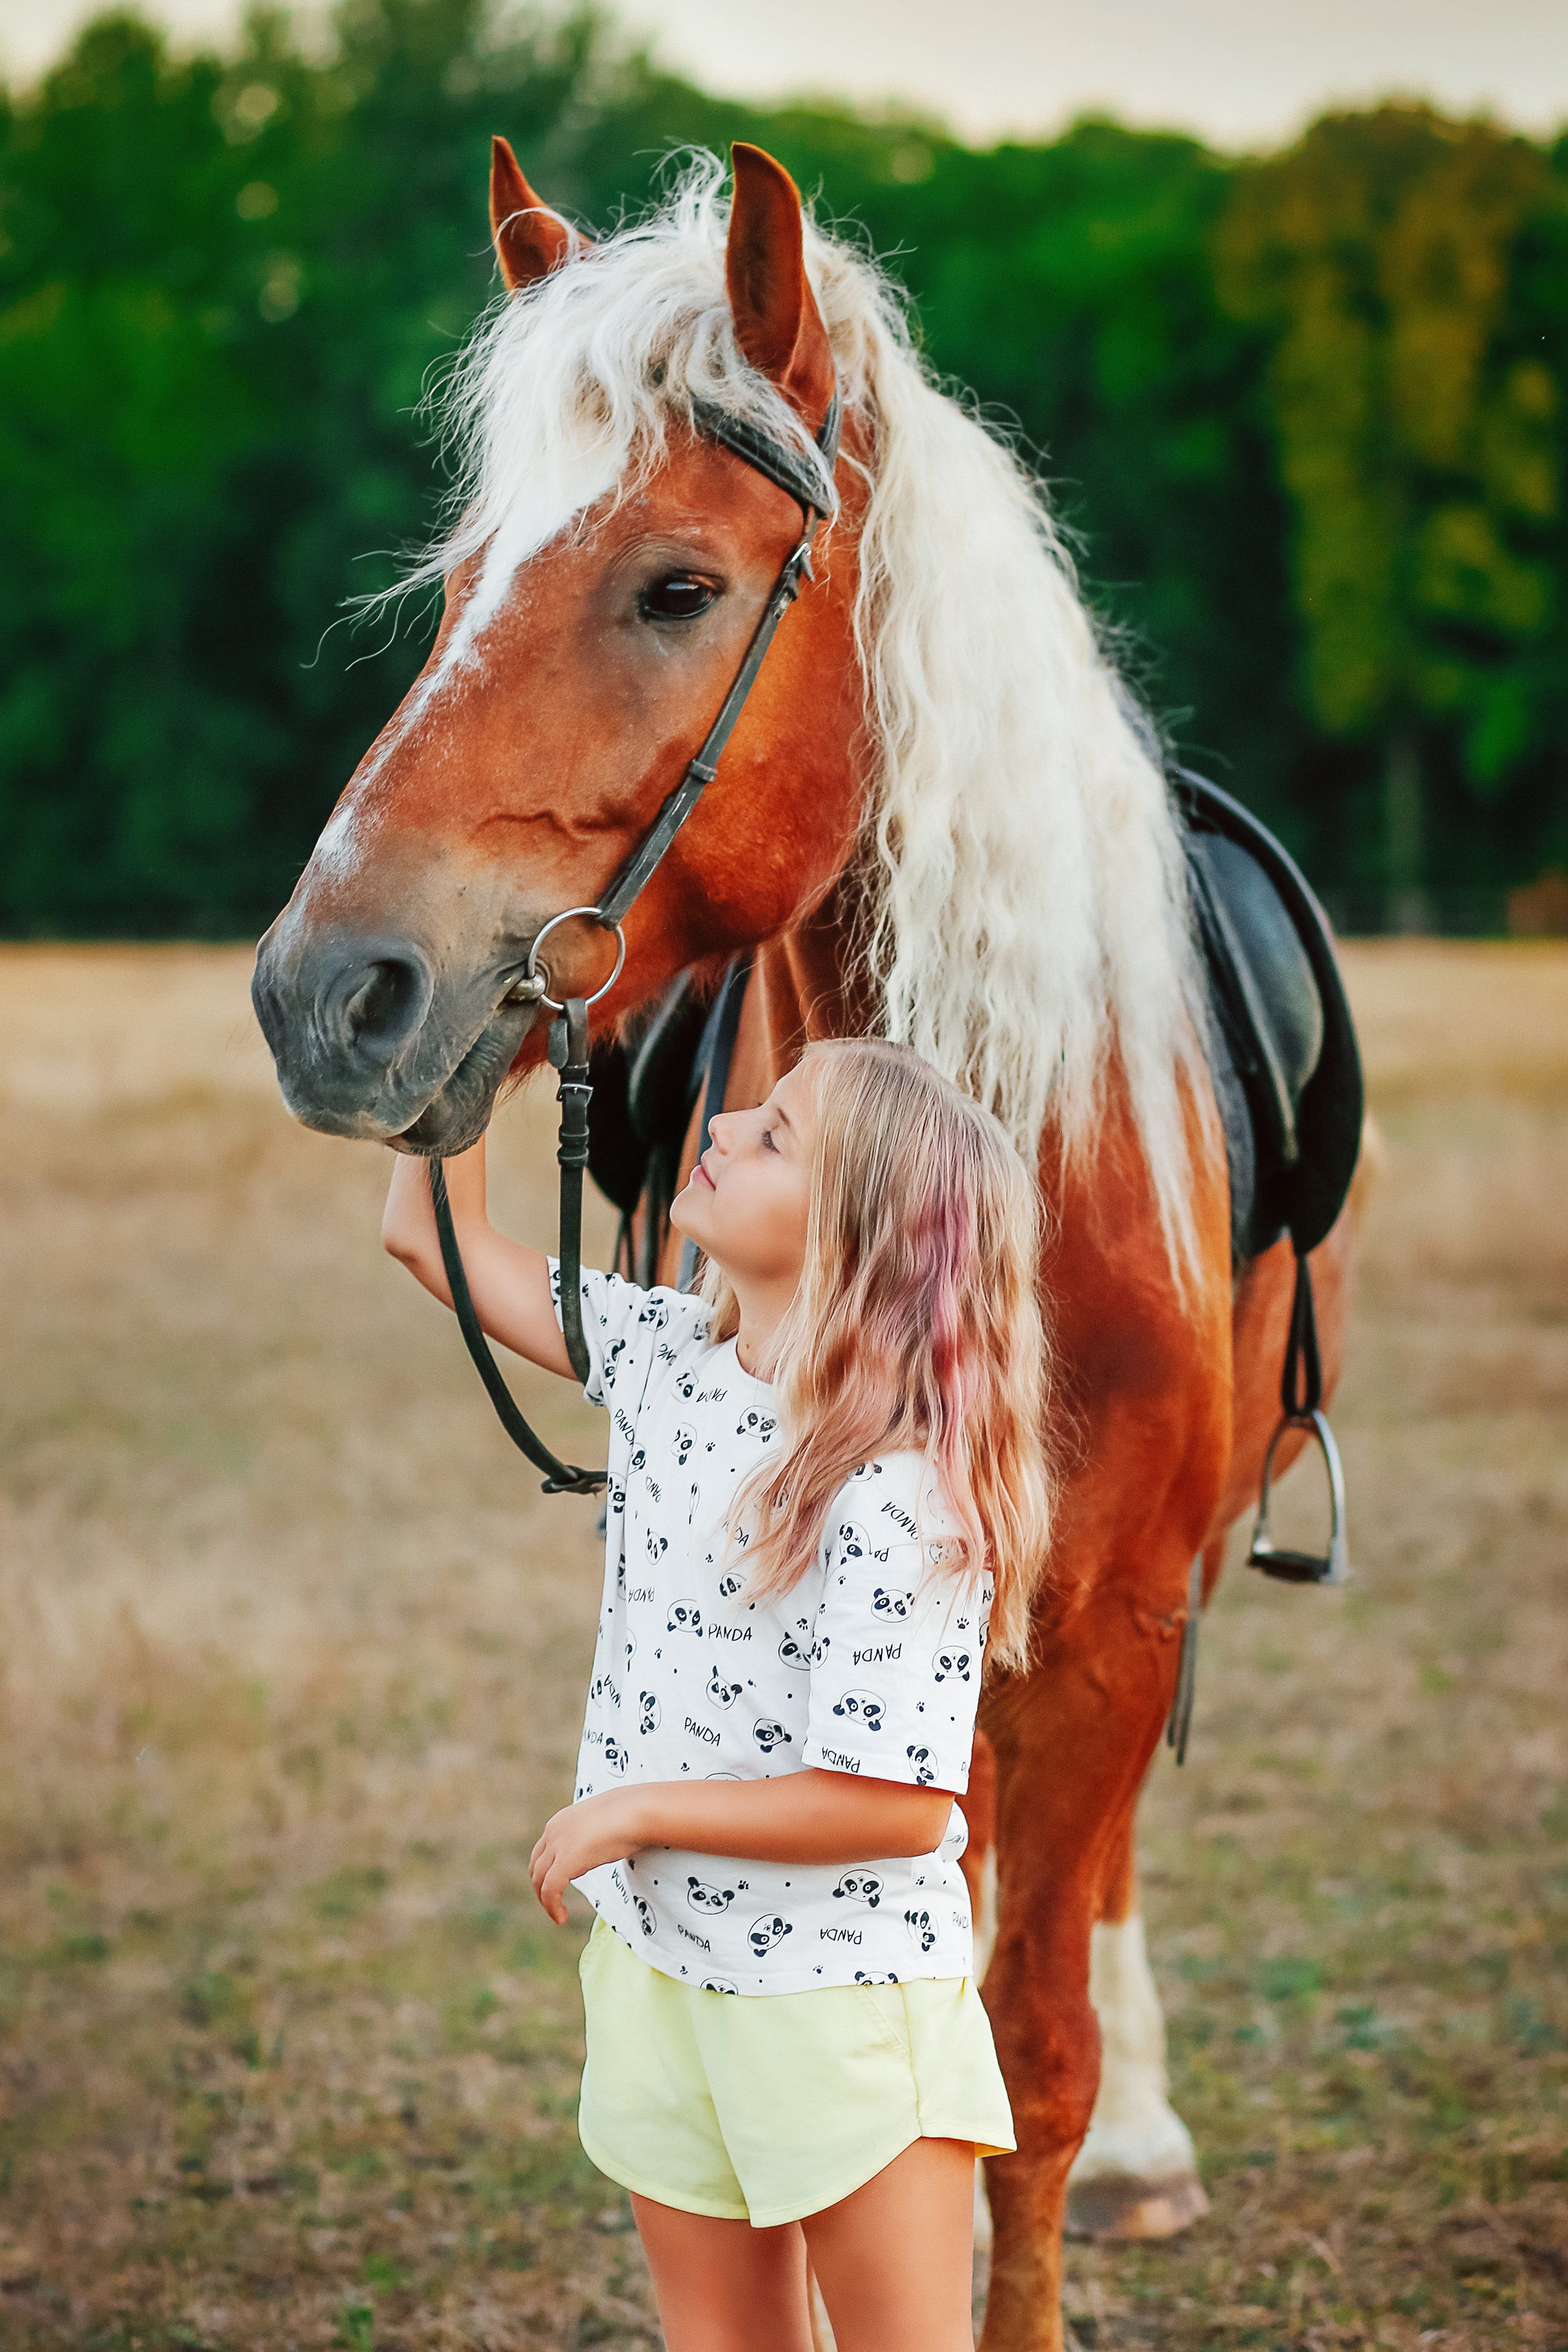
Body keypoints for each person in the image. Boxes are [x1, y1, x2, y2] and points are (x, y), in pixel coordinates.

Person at [381, 1036, 1053, 2352]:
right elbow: (429, 1237)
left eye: (777, 1134)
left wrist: (635, 1812)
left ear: (856, 1233)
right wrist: (470, 1030)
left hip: (836, 2004)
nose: (726, 1124)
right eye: (753, 1108)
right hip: (662, 1969)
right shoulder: (666, 1353)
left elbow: (894, 1807)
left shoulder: (898, 1487)